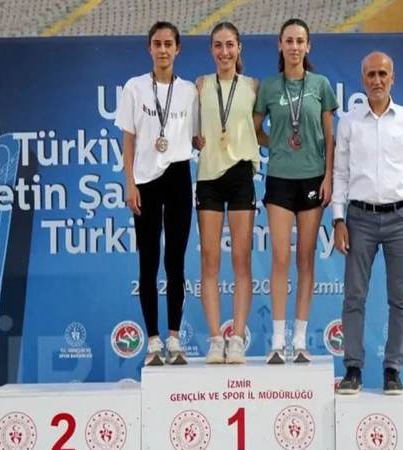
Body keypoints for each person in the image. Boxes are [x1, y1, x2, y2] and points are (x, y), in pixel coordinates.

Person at [332, 51, 403, 395]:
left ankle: (393, 370)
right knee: (354, 296)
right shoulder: (349, 122)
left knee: (400, 299)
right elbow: (340, 174)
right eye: (371, 74)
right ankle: (353, 369)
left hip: (402, 218)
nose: (377, 80)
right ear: (363, 79)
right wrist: (338, 219)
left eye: (382, 74)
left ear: (393, 78)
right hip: (359, 218)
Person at [253, 18, 338, 364]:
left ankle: (300, 340)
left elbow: (329, 137)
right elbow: (255, 129)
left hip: (313, 179)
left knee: (305, 258)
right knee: (280, 258)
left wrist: (328, 176)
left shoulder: (321, 85)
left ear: (308, 46)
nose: (294, 47)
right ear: (280, 45)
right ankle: (277, 339)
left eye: (300, 41)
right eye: (289, 41)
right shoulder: (269, 86)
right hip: (279, 179)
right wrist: (275, 144)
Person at [114, 21, 199, 366]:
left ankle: (174, 339)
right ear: (149, 48)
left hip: (178, 175)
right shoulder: (134, 87)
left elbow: (197, 137)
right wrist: (130, 183)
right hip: (145, 181)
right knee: (148, 261)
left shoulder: (189, 90)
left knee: (175, 261)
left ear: (178, 49)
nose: (163, 50)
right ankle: (152, 341)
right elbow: (129, 140)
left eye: (168, 44)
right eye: (157, 44)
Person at [194, 22, 258, 364]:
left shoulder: (253, 86)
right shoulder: (200, 85)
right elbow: (190, 131)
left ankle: (237, 338)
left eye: (230, 45)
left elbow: (261, 129)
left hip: (241, 175)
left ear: (239, 48)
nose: (224, 52)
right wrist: (194, 139)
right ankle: (215, 338)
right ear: (211, 50)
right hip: (208, 177)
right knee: (209, 260)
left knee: (241, 260)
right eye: (218, 45)